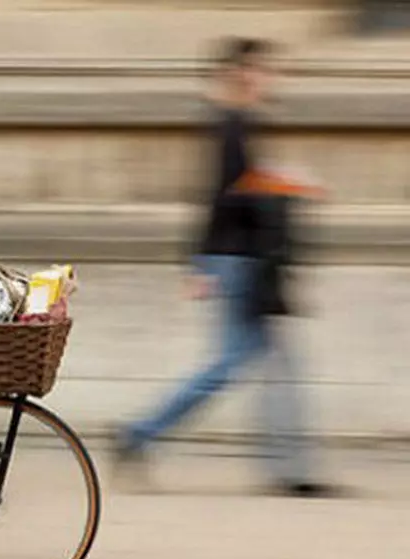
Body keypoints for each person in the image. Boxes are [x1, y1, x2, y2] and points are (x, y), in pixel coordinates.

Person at [113, 37, 333, 498]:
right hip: (238, 261)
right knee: (231, 364)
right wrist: (201, 262)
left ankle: (288, 468)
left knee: (266, 361)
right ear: (239, 72)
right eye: (260, 69)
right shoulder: (231, 125)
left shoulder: (239, 124)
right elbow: (224, 195)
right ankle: (139, 434)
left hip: (242, 258)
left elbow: (238, 189)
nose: (269, 78)